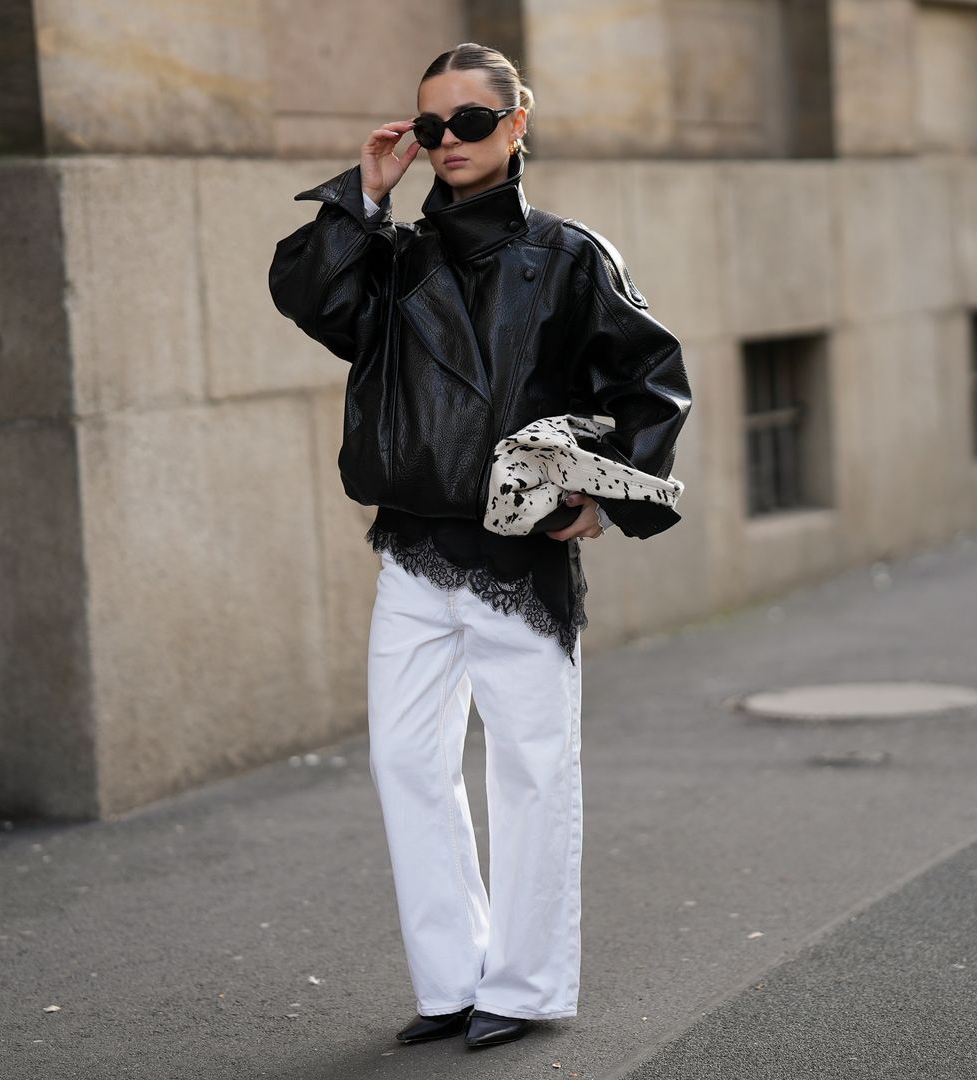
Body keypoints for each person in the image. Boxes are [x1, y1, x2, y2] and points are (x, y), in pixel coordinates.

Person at [269, 43, 691, 1049]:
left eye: (468, 121)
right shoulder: (392, 256)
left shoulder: (568, 255)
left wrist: (604, 496)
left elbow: (653, 378)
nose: (447, 141)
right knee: (406, 761)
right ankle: (452, 978)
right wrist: (363, 196)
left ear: (516, 121)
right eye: (430, 126)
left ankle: (528, 985)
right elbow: (308, 298)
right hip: (412, 543)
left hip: (517, 550)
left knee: (531, 769)